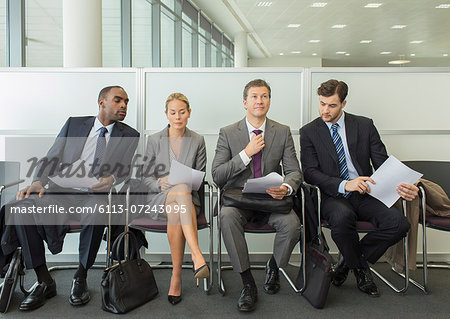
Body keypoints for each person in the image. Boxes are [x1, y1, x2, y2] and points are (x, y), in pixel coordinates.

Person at [0, 86, 139, 310]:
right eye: (118, 100)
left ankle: (81, 276)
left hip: (95, 193)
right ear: (102, 102)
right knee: (20, 208)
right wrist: (38, 181)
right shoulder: (74, 124)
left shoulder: (129, 134)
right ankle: (44, 279)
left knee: (97, 212)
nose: (124, 105)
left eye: (126, 101)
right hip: (61, 190)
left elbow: (124, 168)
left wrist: (112, 178)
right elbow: (52, 155)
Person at [300, 79, 418, 297]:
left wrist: (407, 184)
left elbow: (383, 164)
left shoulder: (364, 125)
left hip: (366, 193)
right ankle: (362, 270)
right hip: (333, 195)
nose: (325, 110)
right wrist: (345, 184)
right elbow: (310, 172)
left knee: (399, 224)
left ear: (344, 104)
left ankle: (349, 262)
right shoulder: (309, 131)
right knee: (342, 218)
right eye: (322, 104)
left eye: (332, 105)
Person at [212, 79, 302, 312]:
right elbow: (217, 176)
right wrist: (245, 154)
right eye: (254, 96)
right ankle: (247, 282)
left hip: (272, 200)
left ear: (269, 101)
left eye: (264, 96)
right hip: (239, 201)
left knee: (292, 224)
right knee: (226, 217)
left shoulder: (281, 132)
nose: (259, 101)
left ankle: (274, 265)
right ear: (245, 102)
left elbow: (294, 171)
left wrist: (287, 187)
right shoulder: (228, 133)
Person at [142, 93, 209, 306]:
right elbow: (144, 177)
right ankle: (197, 256)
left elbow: (200, 177)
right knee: (178, 191)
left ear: (189, 113)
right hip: (160, 197)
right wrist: (159, 183)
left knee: (178, 202)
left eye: (182, 112)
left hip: (188, 199)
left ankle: (176, 277)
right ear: (166, 114)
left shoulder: (197, 140)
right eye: (173, 112)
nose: (177, 116)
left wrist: (181, 182)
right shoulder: (154, 140)